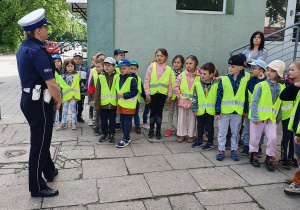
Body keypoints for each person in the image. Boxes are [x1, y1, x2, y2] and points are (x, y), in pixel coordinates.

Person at [17, 8, 61, 197]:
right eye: (45, 27)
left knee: (42, 139)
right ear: (38, 30)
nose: (47, 30)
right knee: (40, 144)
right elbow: (51, 83)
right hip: (39, 103)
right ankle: (37, 186)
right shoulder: (37, 50)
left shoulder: (25, 46)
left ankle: (49, 171)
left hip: (29, 99)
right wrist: (58, 100)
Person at [249, 60, 285, 171]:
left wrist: (278, 117)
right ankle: (254, 154)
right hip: (258, 118)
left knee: (273, 138)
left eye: (272, 71)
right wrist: (254, 116)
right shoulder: (261, 85)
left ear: (278, 74)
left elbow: (280, 104)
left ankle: (270, 156)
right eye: (268, 70)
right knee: (255, 138)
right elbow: (254, 102)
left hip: (271, 118)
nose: (268, 73)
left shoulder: (281, 88)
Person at [215, 54, 248, 161]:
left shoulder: (244, 80)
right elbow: (219, 95)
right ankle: (221, 149)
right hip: (224, 112)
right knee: (222, 132)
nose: (230, 68)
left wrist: (245, 109)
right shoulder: (224, 79)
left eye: (233, 66)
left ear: (240, 67)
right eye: (229, 66)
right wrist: (217, 110)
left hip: (237, 112)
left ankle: (234, 149)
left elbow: (246, 96)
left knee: (235, 132)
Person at [281, 61, 300, 195]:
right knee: (298, 156)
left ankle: (298, 184)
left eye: (292, 69)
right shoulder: (296, 87)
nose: (289, 72)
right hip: (296, 126)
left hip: (299, 129)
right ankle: (298, 177)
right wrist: (295, 85)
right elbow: (284, 96)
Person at [144, 48, 173, 139]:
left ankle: (158, 130)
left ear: (166, 57)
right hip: (152, 94)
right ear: (155, 56)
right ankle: (151, 129)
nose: (159, 57)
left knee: (159, 112)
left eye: (162, 56)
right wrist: (147, 94)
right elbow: (146, 80)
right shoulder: (152, 66)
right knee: (152, 112)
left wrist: (169, 95)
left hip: (162, 94)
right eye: (158, 56)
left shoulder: (168, 69)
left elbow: (170, 83)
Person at [241, 60, 267, 156]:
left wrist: (261, 81)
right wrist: (245, 109)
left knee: (260, 132)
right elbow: (246, 97)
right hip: (250, 112)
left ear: (261, 70)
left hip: (260, 112)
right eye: (250, 68)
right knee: (247, 129)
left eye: (253, 68)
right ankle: (247, 145)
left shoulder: (266, 83)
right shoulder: (249, 82)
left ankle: (258, 146)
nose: (250, 70)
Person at [192, 62, 218, 150]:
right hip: (200, 110)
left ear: (211, 75)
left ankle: (210, 142)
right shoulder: (198, 84)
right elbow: (194, 97)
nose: (202, 75)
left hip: (210, 111)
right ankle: (199, 140)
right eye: (201, 73)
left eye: (204, 74)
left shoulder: (215, 85)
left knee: (209, 127)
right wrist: (194, 109)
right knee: (200, 126)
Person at [174, 55, 200, 143]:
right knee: (182, 118)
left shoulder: (199, 76)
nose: (188, 65)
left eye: (190, 63)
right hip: (183, 100)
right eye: (187, 63)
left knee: (192, 118)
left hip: (194, 101)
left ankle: (191, 135)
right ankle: (182, 134)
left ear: (196, 64)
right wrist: (179, 96)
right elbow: (176, 86)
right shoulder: (182, 75)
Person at [115, 59, 138, 147]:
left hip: (129, 105)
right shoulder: (119, 78)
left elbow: (135, 92)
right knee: (122, 121)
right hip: (121, 104)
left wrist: (124, 95)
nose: (122, 70)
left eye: (124, 68)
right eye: (120, 68)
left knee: (127, 122)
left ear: (129, 68)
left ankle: (125, 139)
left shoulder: (132, 79)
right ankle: (127, 137)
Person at [94, 57, 118, 143]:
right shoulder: (100, 77)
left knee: (112, 121)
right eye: (105, 65)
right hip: (103, 105)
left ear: (114, 67)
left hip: (113, 105)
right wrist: (97, 105)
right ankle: (104, 134)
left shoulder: (117, 77)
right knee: (103, 121)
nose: (106, 67)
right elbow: (97, 92)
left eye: (109, 65)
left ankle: (111, 134)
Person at [56, 59, 81, 130]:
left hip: (73, 96)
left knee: (73, 110)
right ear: (65, 67)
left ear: (74, 67)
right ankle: (63, 123)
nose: (70, 68)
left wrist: (84, 91)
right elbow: (60, 87)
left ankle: (73, 123)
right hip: (65, 97)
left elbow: (80, 84)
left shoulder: (77, 75)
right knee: (64, 110)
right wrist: (59, 97)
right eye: (68, 66)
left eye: (72, 66)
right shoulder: (62, 76)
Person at [165, 55, 184, 137]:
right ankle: (169, 128)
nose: (176, 64)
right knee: (170, 112)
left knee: (179, 112)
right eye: (175, 62)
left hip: (179, 96)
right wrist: (168, 96)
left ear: (182, 64)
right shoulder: (170, 72)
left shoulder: (184, 73)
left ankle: (179, 128)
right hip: (171, 95)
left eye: (178, 62)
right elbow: (168, 84)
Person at [88, 59, 104, 136]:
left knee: (102, 115)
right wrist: (90, 99)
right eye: (96, 67)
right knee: (96, 114)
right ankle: (96, 128)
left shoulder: (105, 76)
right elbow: (90, 89)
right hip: (95, 100)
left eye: (99, 67)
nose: (97, 68)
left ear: (103, 67)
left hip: (104, 100)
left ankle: (102, 127)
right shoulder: (94, 76)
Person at [130, 61, 146, 134]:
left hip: (136, 100)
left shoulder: (139, 78)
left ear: (137, 70)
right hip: (129, 100)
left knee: (136, 114)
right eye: (131, 69)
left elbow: (141, 88)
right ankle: (128, 126)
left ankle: (137, 126)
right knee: (129, 114)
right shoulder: (127, 77)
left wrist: (144, 96)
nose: (133, 70)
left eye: (134, 69)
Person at [114, 49, 128, 130]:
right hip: (115, 90)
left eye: (124, 55)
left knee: (121, 105)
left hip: (123, 90)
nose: (123, 56)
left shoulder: (126, 66)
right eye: (121, 55)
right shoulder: (114, 67)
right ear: (116, 57)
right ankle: (116, 122)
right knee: (116, 106)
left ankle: (119, 122)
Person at [73, 51, 88, 123]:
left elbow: (87, 79)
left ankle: (79, 115)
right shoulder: (72, 68)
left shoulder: (85, 68)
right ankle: (74, 116)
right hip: (75, 90)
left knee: (81, 104)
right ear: (73, 59)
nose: (77, 60)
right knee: (74, 103)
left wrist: (86, 89)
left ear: (82, 59)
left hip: (82, 90)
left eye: (79, 59)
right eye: (76, 59)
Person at [86, 53, 97, 126]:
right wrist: (87, 88)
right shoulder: (90, 69)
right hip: (91, 90)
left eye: (96, 60)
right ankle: (90, 118)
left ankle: (95, 119)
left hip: (97, 90)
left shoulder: (100, 68)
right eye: (93, 60)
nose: (94, 61)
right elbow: (87, 79)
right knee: (91, 105)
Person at [52, 54, 63, 124]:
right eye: (55, 62)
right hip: (54, 91)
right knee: (53, 106)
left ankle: (60, 119)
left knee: (61, 105)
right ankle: (53, 120)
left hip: (62, 91)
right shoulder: (52, 71)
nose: (57, 63)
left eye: (58, 61)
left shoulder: (63, 70)